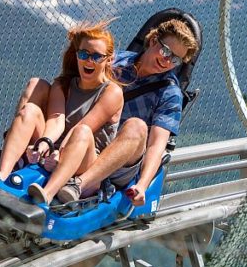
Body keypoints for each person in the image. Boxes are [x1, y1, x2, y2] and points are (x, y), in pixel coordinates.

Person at [53, 16, 199, 206]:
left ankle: (81, 184)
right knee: (40, 87)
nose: (166, 61)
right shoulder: (116, 60)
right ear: (154, 40)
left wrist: (143, 185)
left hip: (121, 158)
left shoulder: (170, 93)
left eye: (174, 60)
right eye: (165, 51)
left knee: (136, 126)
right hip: (88, 138)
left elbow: (156, 145)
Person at [0, 20, 124, 205]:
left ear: (108, 60)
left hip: (85, 161)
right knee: (30, 110)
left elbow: (84, 126)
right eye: (83, 54)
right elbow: (56, 122)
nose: (89, 60)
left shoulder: (112, 92)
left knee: (82, 132)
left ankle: (47, 194)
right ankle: (2, 174)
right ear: (76, 55)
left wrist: (60, 154)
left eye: (96, 56)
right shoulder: (62, 85)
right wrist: (43, 144)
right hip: (56, 152)